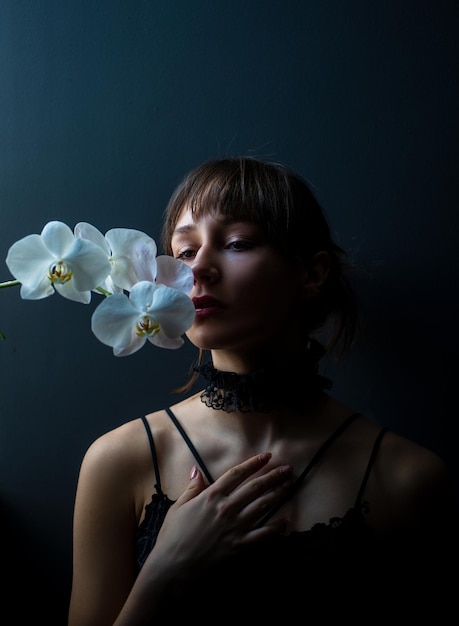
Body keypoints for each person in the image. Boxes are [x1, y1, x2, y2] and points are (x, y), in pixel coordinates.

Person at [68, 156, 456, 626]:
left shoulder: (408, 477)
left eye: (237, 243)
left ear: (311, 274)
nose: (200, 270)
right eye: (185, 252)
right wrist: (163, 573)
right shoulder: (119, 461)